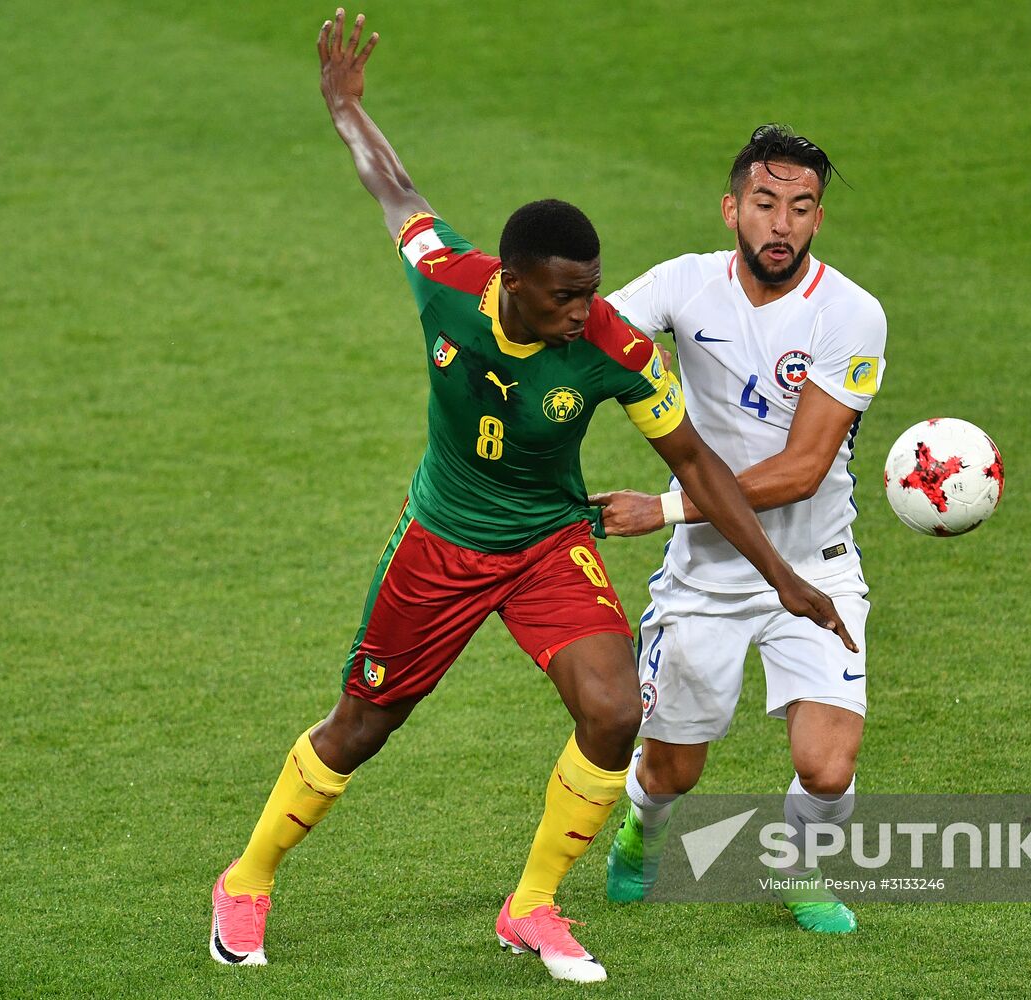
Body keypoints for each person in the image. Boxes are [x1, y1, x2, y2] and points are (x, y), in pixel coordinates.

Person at [209, 14, 857, 984]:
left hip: (547, 545)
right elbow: (397, 193)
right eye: (562, 296)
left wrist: (784, 578)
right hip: (441, 543)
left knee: (611, 710)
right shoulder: (448, 285)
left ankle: (532, 905)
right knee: (361, 725)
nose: (581, 311)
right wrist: (347, 108)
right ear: (511, 282)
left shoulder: (611, 348)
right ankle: (246, 878)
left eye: (591, 292)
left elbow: (696, 466)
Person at [595, 125, 887, 934]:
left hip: (817, 567)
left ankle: (796, 865)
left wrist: (664, 507)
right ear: (732, 209)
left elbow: (803, 468)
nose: (781, 224)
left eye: (801, 208)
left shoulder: (851, 315)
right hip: (706, 580)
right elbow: (588, 337)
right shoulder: (685, 287)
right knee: (672, 772)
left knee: (827, 768)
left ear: (817, 221)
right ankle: (641, 833)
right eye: (765, 203)